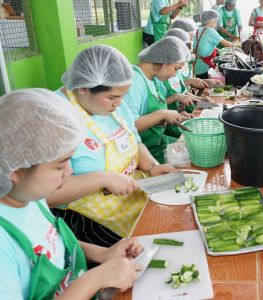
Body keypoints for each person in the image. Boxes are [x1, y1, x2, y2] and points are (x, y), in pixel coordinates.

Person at [0, 89, 144, 299]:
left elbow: (55, 246)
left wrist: (103, 254)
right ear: (16, 170)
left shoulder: (29, 198)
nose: (70, 171)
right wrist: (95, 279)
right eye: (60, 166)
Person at [49, 45, 178, 247]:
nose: (118, 104)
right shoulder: (54, 119)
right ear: (83, 88)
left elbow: (133, 140)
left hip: (133, 196)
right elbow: (46, 195)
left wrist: (152, 167)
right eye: (112, 98)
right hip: (89, 217)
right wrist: (104, 179)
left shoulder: (116, 102)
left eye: (122, 96)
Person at [125, 37, 193, 163]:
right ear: (163, 61)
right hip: (145, 154)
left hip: (159, 143)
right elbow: (128, 127)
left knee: (197, 147)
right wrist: (163, 114)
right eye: (176, 69)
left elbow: (151, 111)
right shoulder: (135, 82)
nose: (174, 75)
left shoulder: (154, 79)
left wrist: (173, 117)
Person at [193, 9, 234, 79]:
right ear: (211, 21)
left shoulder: (199, 30)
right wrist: (240, 44)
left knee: (202, 87)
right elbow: (227, 44)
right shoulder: (210, 31)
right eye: (216, 21)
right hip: (205, 69)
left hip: (196, 67)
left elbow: (195, 49)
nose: (216, 24)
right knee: (208, 88)